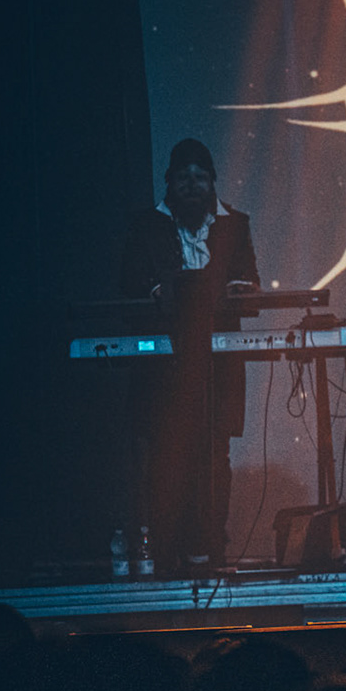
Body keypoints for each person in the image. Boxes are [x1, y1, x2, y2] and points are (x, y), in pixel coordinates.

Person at [119, 137, 261, 572]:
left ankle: (211, 544)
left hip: (219, 365)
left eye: (200, 177)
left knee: (215, 454)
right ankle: (167, 549)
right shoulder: (145, 226)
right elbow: (128, 284)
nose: (192, 185)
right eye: (184, 177)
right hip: (165, 367)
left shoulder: (236, 225)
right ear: (169, 182)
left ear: (213, 182)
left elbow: (251, 283)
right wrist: (155, 292)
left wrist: (238, 290)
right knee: (165, 455)